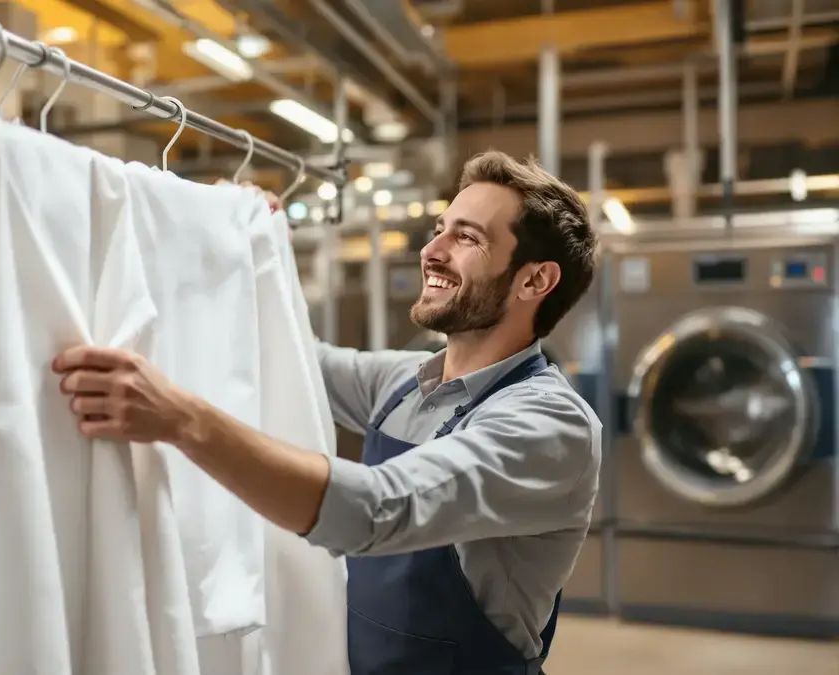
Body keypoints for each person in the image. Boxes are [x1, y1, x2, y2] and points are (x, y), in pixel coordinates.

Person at [52, 150, 602, 675]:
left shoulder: (549, 426)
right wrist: (243, 245)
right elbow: (283, 354)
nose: (433, 250)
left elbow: (376, 510)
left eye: (467, 238)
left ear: (535, 280)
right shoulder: (403, 383)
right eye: (441, 228)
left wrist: (181, 420)